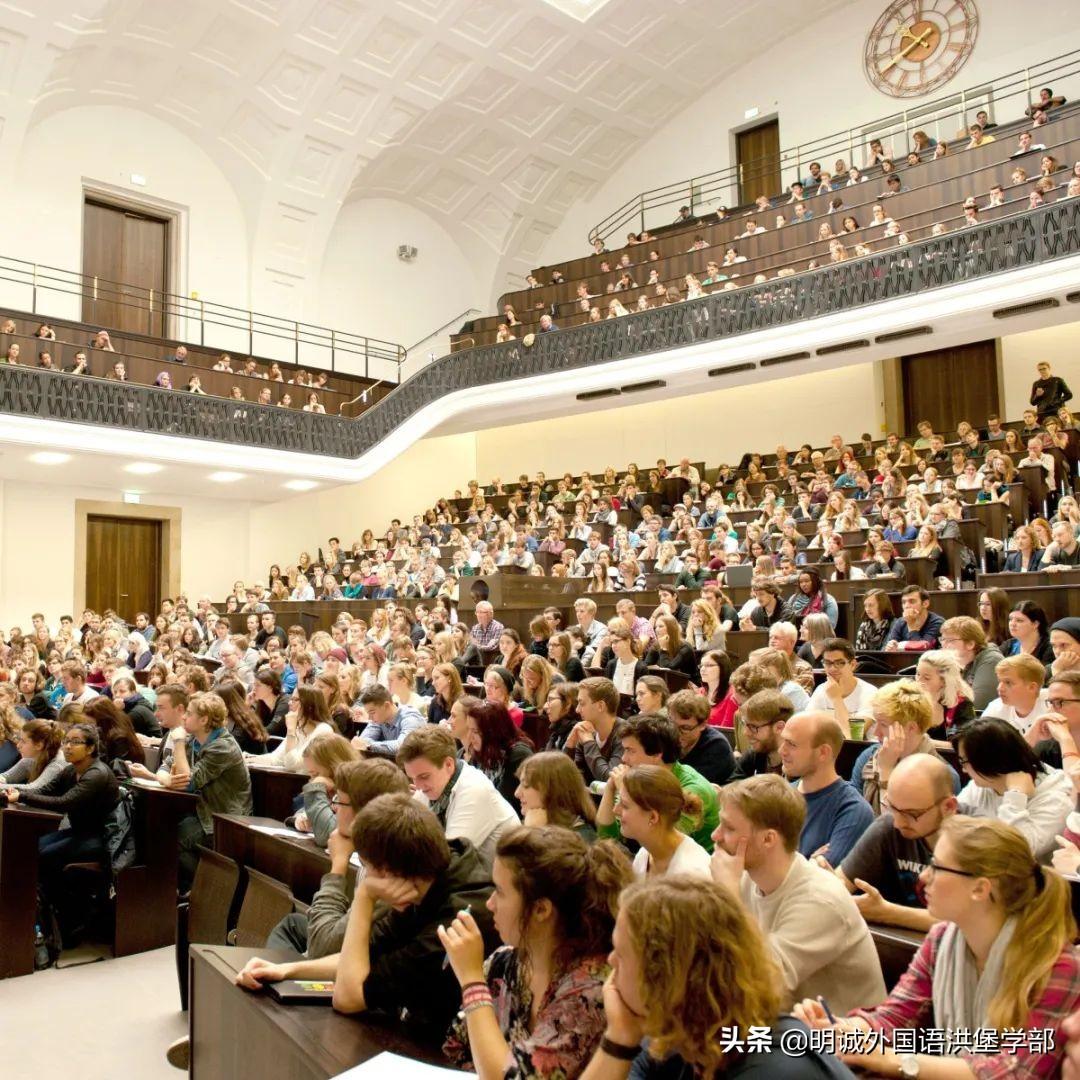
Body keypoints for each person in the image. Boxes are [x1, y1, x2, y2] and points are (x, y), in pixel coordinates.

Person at [795, 816, 1080, 1080]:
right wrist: (841, 1030)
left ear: (980, 889)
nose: (923, 877)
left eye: (938, 867)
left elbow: (1015, 1072)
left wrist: (890, 1059)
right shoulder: (943, 939)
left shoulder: (1056, 964)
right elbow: (893, 1017)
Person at [234, 794, 499, 1037]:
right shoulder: (431, 873)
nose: (367, 876)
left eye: (367, 868)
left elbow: (348, 998)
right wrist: (287, 970)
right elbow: (364, 957)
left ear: (388, 872)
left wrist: (364, 897)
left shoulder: (456, 919)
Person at [581, 875, 854, 1079]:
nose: (610, 961)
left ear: (667, 977)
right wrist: (619, 1037)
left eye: (621, 953)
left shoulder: (775, 1068)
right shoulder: (686, 1037)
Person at [441, 826, 633, 1078]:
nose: (489, 904)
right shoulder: (505, 962)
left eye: (500, 892)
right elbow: (456, 1048)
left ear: (541, 909)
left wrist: (471, 981)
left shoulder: (591, 990)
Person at [710, 774, 886, 1015]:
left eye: (728, 828)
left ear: (768, 839)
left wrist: (728, 900)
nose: (715, 836)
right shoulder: (741, 878)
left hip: (839, 1043)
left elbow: (761, 984)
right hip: (783, 1029)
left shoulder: (819, 900)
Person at [265, 757, 412, 958]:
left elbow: (322, 949)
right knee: (291, 926)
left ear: (363, 813)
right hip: (349, 949)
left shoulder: (388, 872)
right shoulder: (378, 851)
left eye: (338, 801)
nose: (334, 809)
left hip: (365, 973)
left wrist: (338, 865)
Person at [4, 723, 118, 946]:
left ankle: (71, 920)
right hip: (78, 832)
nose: (67, 746)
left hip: (100, 838)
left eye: (75, 742)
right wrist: (11, 792)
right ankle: (48, 914)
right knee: (33, 849)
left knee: (45, 856)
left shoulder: (97, 774)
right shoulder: (70, 770)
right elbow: (43, 791)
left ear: (91, 748)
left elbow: (65, 803)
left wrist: (22, 797)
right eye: (66, 741)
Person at [839, 753, 959, 931]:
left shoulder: (975, 840)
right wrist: (829, 888)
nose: (898, 822)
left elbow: (972, 921)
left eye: (911, 814)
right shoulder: (888, 827)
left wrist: (888, 913)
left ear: (948, 807)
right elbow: (839, 884)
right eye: (893, 808)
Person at [400, 725, 519, 870]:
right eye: (412, 778)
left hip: (499, 885)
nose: (417, 786)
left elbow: (448, 861)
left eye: (423, 777)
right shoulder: (433, 785)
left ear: (449, 764)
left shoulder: (474, 789)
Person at [596, 713, 718, 853]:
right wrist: (610, 789)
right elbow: (607, 838)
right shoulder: (640, 780)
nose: (623, 758)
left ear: (656, 754)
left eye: (630, 751)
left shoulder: (692, 789)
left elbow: (662, 844)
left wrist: (626, 792)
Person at [956, 716, 1072, 859]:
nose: (963, 770)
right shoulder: (982, 784)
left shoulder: (1056, 798)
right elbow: (954, 829)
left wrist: (1015, 796)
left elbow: (1015, 852)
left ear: (988, 760)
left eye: (963, 761)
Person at [168, 692, 252, 890]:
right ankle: (195, 891)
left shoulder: (223, 747)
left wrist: (178, 742)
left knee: (171, 841)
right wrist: (165, 777)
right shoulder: (195, 741)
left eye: (188, 713)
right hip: (202, 812)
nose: (183, 717)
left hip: (224, 820)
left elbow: (188, 782)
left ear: (204, 719)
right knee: (161, 832)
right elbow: (167, 766)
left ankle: (213, 890)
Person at [849, 680, 960, 816]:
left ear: (911, 728)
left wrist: (886, 771)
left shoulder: (942, 776)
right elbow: (854, 813)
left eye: (883, 724)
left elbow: (899, 826)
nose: (876, 732)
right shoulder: (868, 757)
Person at [779, 711, 873, 864]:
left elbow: (822, 881)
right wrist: (807, 864)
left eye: (792, 744)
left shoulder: (853, 811)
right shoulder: (779, 796)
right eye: (783, 741)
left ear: (823, 752)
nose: (781, 751)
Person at [611, 765, 711, 879]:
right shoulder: (645, 854)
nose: (615, 810)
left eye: (624, 805)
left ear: (653, 817)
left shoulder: (692, 874)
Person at [463, 701, 533, 815]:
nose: (469, 737)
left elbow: (504, 801)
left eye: (475, 731)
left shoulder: (518, 754)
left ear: (492, 731)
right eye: (468, 729)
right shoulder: (482, 751)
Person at [515, 751, 597, 840]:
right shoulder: (537, 823)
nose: (517, 793)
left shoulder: (582, 840)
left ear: (552, 790)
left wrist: (533, 833)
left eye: (526, 785)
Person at [805, 638, 876, 737]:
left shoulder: (870, 692)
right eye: (828, 663)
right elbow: (807, 727)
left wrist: (836, 698)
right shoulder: (821, 690)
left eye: (839, 663)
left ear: (853, 665)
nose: (832, 668)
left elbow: (854, 735)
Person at [564, 677, 625, 785]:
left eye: (582, 704)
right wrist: (570, 746)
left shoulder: (625, 733)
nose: (577, 710)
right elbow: (572, 779)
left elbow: (609, 779)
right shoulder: (586, 731)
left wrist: (589, 743)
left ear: (600, 706)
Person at [667, 689, 734, 784]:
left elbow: (691, 785)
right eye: (672, 724)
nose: (676, 733)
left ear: (702, 725)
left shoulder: (717, 746)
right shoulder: (665, 735)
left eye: (685, 728)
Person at [939, 615, 1004, 712]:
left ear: (970, 644)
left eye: (950, 640)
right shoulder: (954, 661)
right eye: (942, 640)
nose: (944, 645)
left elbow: (977, 705)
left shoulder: (992, 661)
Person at [981, 654, 1052, 736]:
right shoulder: (995, 709)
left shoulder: (1055, 703)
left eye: (1008, 683)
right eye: (1000, 681)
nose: (1000, 688)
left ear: (1032, 687)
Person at [731, 689, 792, 779]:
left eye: (753, 727)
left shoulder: (797, 764)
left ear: (779, 727)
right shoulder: (755, 754)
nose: (745, 733)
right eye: (745, 724)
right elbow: (731, 786)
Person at [351, 683, 423, 758]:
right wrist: (364, 744)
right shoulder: (379, 719)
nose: (369, 718)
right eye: (368, 713)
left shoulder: (411, 717)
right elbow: (362, 741)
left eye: (372, 712)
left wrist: (369, 746)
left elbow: (403, 747)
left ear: (386, 706)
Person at [884, 585, 943, 652]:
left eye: (912, 601)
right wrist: (890, 646)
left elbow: (921, 652)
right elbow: (889, 649)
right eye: (903, 602)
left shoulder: (938, 622)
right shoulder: (900, 622)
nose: (906, 606)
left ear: (925, 604)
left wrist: (911, 626)